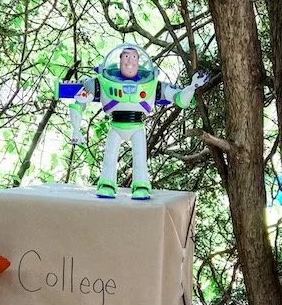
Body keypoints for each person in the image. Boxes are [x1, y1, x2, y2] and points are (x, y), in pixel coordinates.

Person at [67, 44, 207, 200]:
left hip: (137, 127)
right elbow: (78, 102)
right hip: (116, 125)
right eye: (126, 57)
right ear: (119, 61)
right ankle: (106, 184)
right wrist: (76, 129)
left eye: (133, 57)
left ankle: (141, 185)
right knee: (110, 156)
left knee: (140, 157)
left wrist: (192, 87)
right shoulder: (101, 82)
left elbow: (180, 99)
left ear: (139, 61)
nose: (129, 62)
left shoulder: (152, 84)